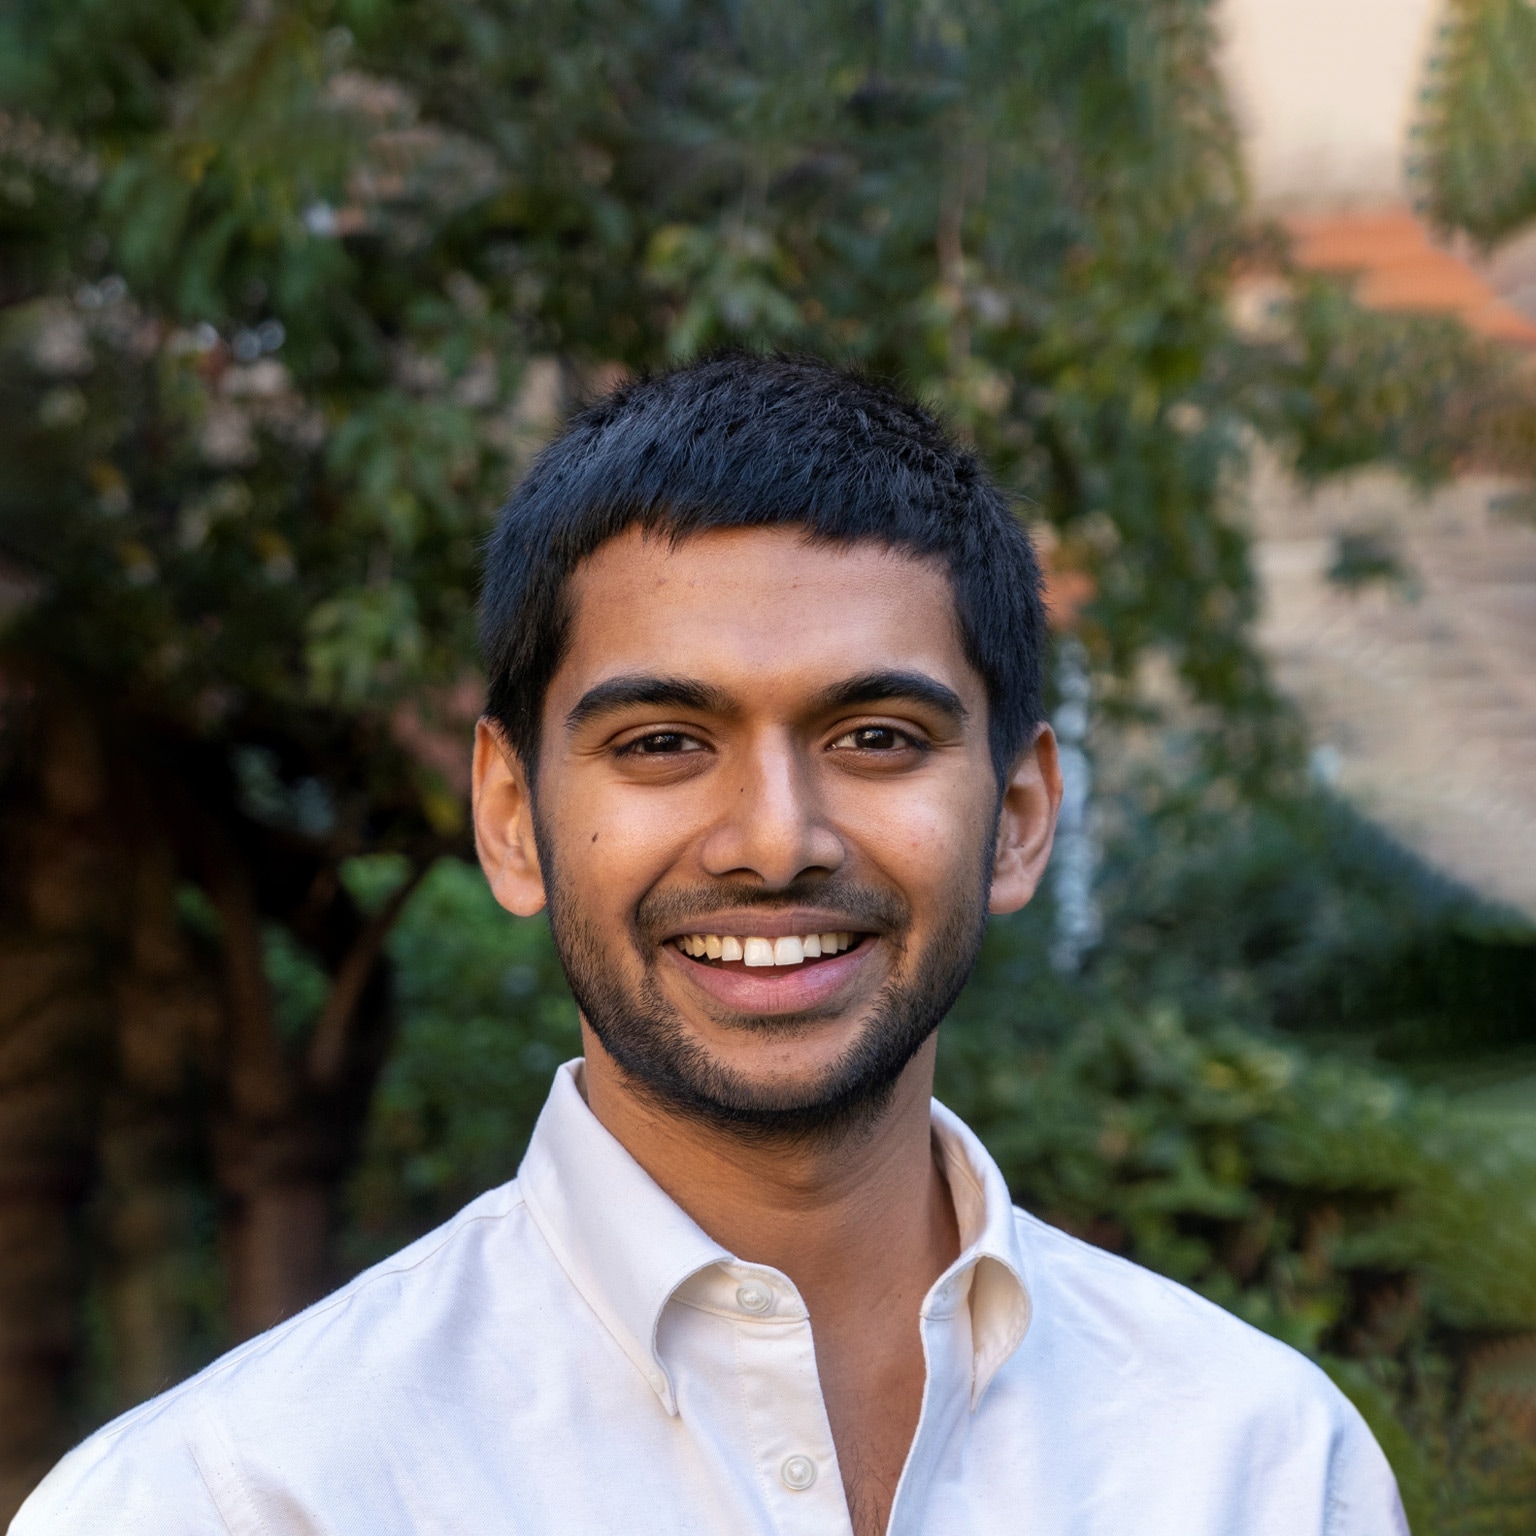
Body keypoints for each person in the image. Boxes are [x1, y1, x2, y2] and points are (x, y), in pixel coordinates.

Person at [13, 354, 1406, 1536]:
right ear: (510, 818)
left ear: (1022, 816)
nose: (774, 837)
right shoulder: (235, 1500)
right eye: (664, 743)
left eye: (877, 738)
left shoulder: (1260, 1468)